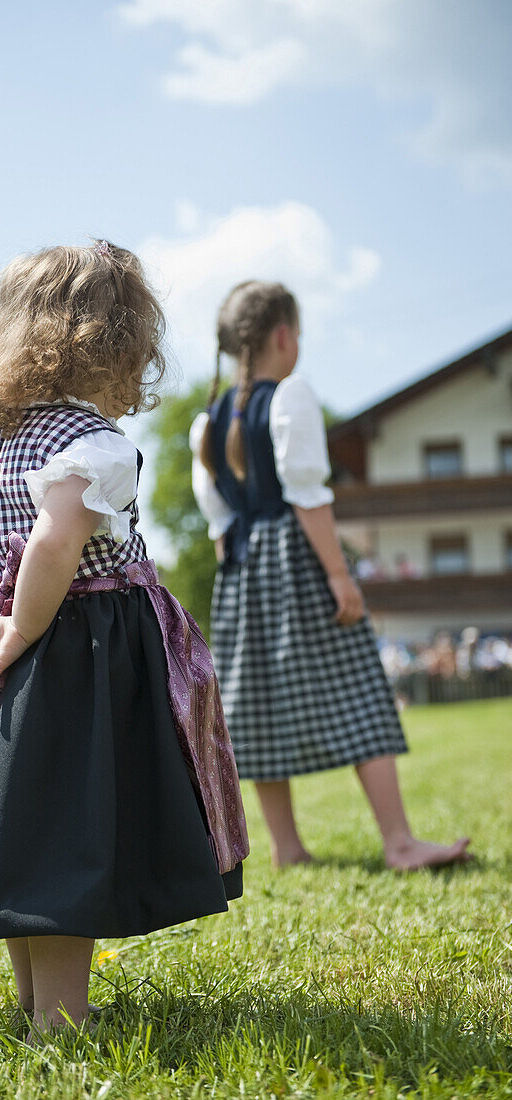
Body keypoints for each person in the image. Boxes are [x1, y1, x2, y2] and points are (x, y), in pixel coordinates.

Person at [0, 242, 248, 1041]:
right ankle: (61, 1024)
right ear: (119, 344)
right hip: (86, 659)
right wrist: (23, 624)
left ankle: (38, 1003)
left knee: (27, 828)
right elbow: (55, 544)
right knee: (68, 829)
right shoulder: (92, 446)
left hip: (26, 658)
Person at [190, 280, 470, 872]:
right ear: (284, 335)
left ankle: (287, 847)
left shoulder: (205, 425)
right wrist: (341, 579)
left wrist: (242, 597)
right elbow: (309, 498)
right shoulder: (291, 396)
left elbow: (219, 523)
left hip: (241, 573)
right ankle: (398, 842)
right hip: (297, 558)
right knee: (361, 687)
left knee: (255, 701)